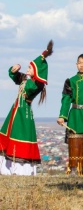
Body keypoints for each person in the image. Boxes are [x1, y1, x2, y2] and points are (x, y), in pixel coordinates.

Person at [0, 40, 54, 176]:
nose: (27, 69)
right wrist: (13, 71)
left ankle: (19, 171)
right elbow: (16, 77)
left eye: (30, 68)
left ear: (36, 71)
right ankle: (7, 169)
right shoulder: (27, 80)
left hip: (23, 115)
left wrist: (29, 75)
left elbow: (30, 85)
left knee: (19, 137)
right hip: (16, 112)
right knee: (8, 137)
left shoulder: (36, 85)